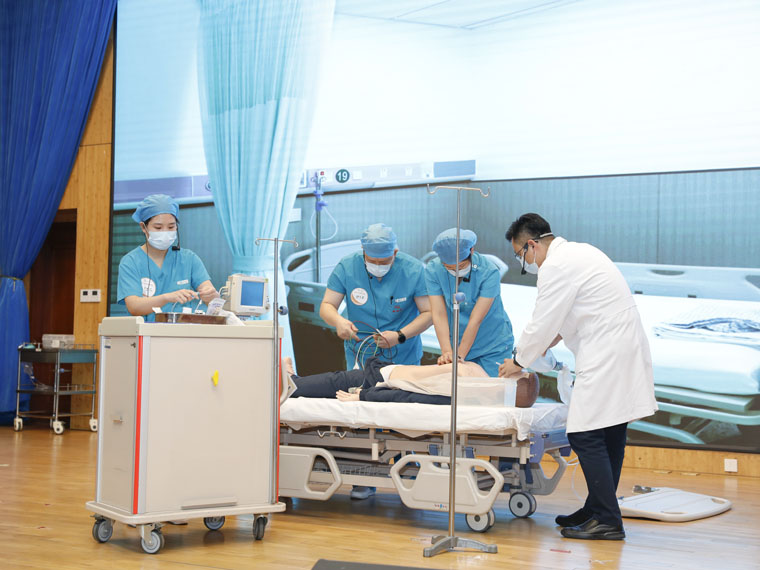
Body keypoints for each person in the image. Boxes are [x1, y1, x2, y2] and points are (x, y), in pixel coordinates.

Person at [499, 213, 657, 541]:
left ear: (532, 245)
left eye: (519, 255)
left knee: (584, 434)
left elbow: (542, 322)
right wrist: (541, 347)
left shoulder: (556, 267)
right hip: (619, 346)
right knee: (611, 431)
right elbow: (564, 319)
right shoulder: (581, 252)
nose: (523, 263)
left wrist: (518, 360)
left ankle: (608, 519)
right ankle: (598, 509)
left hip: (607, 352)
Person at [320, 223, 432, 368]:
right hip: (360, 353)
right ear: (363, 250)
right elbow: (327, 305)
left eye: (384, 262)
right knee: (359, 382)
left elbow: (429, 313)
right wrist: (338, 321)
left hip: (403, 355)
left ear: (395, 252)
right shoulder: (347, 267)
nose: (378, 266)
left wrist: (399, 336)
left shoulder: (413, 271)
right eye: (372, 261)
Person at [425, 228, 514, 377]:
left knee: (489, 388)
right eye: (449, 268)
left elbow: (475, 320)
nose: (455, 271)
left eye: (460, 267)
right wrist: (447, 352)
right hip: (457, 341)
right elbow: (439, 314)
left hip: (491, 344)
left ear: (472, 251)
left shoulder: (488, 272)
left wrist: (459, 355)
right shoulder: (433, 270)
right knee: (461, 387)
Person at [285, 357, 539, 408]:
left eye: (518, 370)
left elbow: (408, 396)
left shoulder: (465, 392)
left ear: (509, 384)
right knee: (330, 380)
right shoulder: (479, 377)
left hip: (375, 382)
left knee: (295, 389)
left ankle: (292, 379)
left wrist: (363, 396)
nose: (514, 364)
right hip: (384, 373)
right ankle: (294, 378)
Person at [117, 194, 219, 321]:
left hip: (183, 331)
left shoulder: (189, 259)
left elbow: (211, 297)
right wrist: (167, 298)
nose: (165, 232)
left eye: (171, 227)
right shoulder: (131, 262)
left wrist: (212, 296)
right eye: (158, 227)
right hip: (146, 331)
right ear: (143, 227)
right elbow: (134, 306)